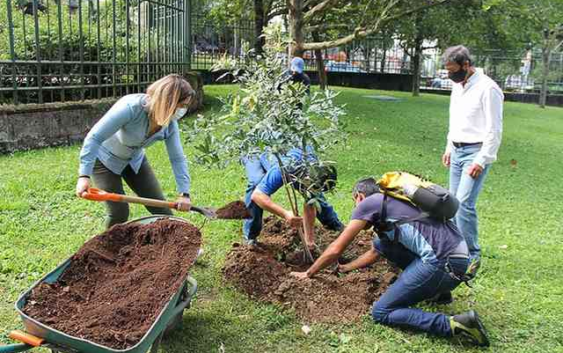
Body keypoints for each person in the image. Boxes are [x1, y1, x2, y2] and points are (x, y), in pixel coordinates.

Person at [290, 178, 490, 347]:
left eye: (355, 203)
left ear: (359, 196)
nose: (356, 208)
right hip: (458, 260)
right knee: (383, 243)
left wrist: (308, 273)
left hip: (441, 263)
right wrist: (345, 268)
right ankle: (440, 293)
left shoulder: (369, 204)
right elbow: (376, 251)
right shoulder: (394, 202)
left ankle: (455, 324)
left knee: (382, 311)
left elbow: (336, 248)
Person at [75, 74, 195, 228]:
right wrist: (84, 175)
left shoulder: (169, 123)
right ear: (169, 102)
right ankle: (106, 248)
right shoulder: (130, 108)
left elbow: (177, 158)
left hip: (134, 162)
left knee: (163, 211)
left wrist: (184, 193)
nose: (183, 110)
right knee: (119, 213)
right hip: (105, 161)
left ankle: (177, 249)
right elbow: (94, 138)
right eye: (182, 105)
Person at [441, 45, 504, 270]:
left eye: (453, 69)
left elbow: (494, 129)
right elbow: (455, 119)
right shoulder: (458, 86)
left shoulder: (488, 89)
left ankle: (472, 255)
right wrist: (449, 146)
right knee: (452, 203)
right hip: (457, 150)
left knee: (464, 204)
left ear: (466, 65)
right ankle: (456, 249)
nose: (450, 74)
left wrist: (481, 159)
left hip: (475, 152)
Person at [243, 148, 343, 248]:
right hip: (257, 151)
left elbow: (310, 202)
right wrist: (285, 214)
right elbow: (258, 195)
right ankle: (250, 237)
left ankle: (334, 225)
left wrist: (309, 240)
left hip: (291, 163)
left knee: (315, 198)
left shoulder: (315, 169)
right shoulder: (285, 166)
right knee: (256, 184)